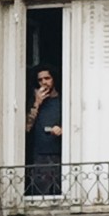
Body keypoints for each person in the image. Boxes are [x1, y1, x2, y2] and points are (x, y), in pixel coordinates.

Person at [26, 65, 62, 196]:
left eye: (47, 78)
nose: (44, 82)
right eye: (40, 80)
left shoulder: (63, 101)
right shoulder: (33, 102)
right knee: (40, 194)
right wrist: (37, 102)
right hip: (39, 155)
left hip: (60, 154)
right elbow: (27, 127)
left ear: (54, 79)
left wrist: (61, 129)